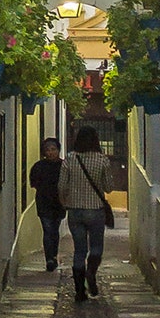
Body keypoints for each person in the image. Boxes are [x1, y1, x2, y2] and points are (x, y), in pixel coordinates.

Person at [57, 123, 115, 303]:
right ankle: (91, 272)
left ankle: (79, 291)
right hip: (96, 210)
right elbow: (109, 187)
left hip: (75, 211)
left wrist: (65, 202)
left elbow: (61, 186)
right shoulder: (102, 160)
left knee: (79, 250)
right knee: (96, 247)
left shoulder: (69, 159)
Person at [29, 136, 65, 271]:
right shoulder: (38, 166)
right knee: (48, 229)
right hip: (44, 202)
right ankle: (49, 259)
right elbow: (34, 183)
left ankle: (53, 256)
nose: (51, 152)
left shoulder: (64, 166)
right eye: (48, 150)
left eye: (53, 149)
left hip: (59, 203)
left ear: (58, 150)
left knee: (54, 231)